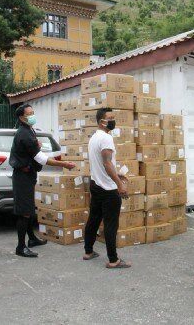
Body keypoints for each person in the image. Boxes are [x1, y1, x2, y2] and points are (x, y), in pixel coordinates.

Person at [10, 104, 76, 258]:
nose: (33, 115)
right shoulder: (24, 134)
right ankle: (21, 246)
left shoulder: (29, 130)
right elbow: (42, 159)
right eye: (29, 113)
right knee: (24, 212)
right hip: (22, 176)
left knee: (29, 209)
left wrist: (36, 145)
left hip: (28, 174)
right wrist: (64, 164)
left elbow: (34, 150)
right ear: (21, 117)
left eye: (33, 112)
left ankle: (32, 239)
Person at [83, 107, 131, 269]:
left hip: (96, 184)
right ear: (102, 121)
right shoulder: (106, 138)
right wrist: (119, 184)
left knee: (94, 219)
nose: (113, 120)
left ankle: (88, 251)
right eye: (110, 118)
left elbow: (102, 164)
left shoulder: (94, 138)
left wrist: (117, 174)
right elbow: (107, 163)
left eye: (113, 117)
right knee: (111, 224)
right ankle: (113, 260)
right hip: (108, 189)